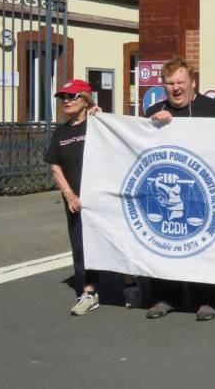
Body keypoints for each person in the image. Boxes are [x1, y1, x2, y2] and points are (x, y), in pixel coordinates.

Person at [143, 57, 215, 322]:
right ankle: (167, 297)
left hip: (203, 191)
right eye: (169, 83)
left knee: (202, 247)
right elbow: (138, 145)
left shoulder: (213, 110)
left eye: (180, 82)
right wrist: (151, 124)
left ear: (193, 82)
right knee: (165, 243)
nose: (175, 88)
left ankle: (206, 298)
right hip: (165, 189)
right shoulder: (156, 111)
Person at [45, 79, 137, 314]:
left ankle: (131, 286)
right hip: (76, 200)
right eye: (63, 97)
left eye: (72, 96)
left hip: (103, 197)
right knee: (81, 246)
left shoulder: (98, 124)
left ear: (86, 100)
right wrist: (69, 195)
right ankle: (88, 292)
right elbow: (55, 166)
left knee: (115, 240)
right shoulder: (61, 132)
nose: (66, 100)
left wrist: (102, 117)